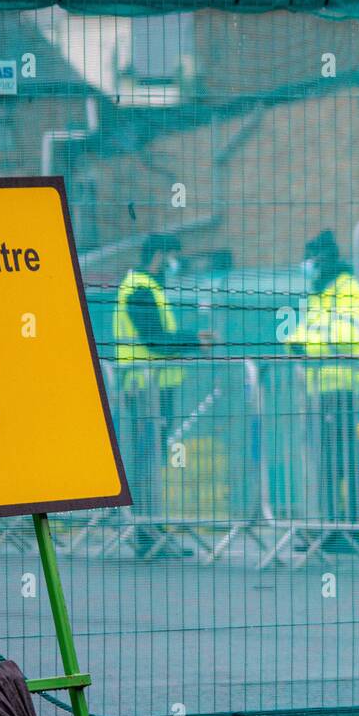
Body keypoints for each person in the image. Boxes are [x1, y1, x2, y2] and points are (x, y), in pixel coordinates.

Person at [114, 233, 212, 557]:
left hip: (155, 389)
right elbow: (155, 339)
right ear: (158, 255)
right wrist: (193, 340)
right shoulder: (140, 289)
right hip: (146, 391)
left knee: (149, 462)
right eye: (172, 257)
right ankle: (148, 533)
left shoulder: (148, 287)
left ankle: (150, 530)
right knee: (146, 464)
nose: (175, 264)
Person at [285, 230, 359, 546]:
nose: (306, 264)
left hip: (341, 388)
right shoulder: (319, 293)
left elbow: (349, 333)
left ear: (324, 258)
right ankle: (330, 524)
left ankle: (349, 525)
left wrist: (305, 346)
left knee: (343, 457)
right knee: (326, 458)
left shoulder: (348, 289)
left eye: (310, 257)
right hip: (319, 390)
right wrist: (294, 344)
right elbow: (305, 332)